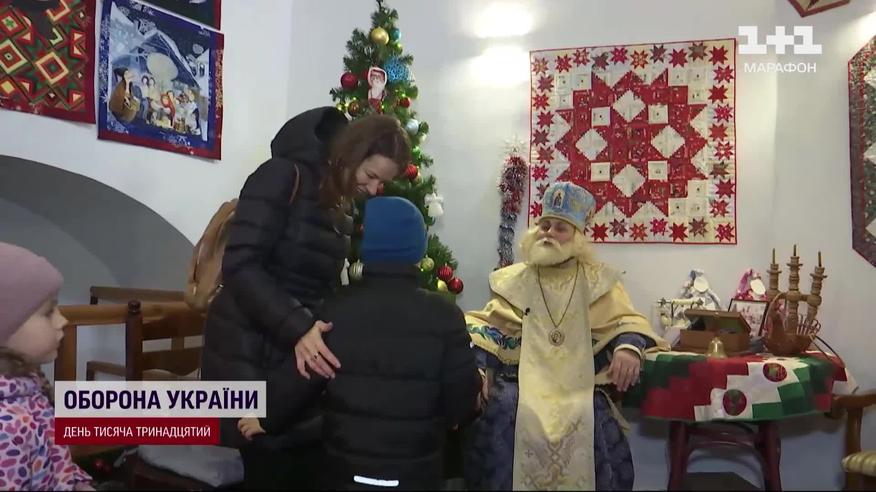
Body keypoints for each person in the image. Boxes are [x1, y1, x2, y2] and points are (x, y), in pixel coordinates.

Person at [200, 107, 411, 490]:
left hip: (290, 354)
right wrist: (299, 327)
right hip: (246, 347)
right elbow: (241, 266)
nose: (374, 190)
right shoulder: (283, 175)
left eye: (382, 182)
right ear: (351, 154)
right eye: (371, 176)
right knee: (265, 459)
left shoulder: (341, 201)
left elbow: (320, 285)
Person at [236, 196, 482, 490]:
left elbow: (302, 375)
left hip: (345, 472)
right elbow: (462, 401)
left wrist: (264, 417)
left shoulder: (336, 310)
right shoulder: (445, 315)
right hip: (415, 475)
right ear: (418, 252)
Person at [463, 182, 670, 491]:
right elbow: (488, 327)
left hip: (581, 385)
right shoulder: (514, 279)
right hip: (521, 382)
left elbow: (626, 321)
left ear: (577, 236)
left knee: (592, 414)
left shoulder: (598, 280)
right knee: (505, 407)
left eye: (560, 228)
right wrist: (477, 368)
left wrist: (628, 347)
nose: (549, 233)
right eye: (545, 225)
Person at [0, 242, 94, 491]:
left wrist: (77, 483)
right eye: (48, 312)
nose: (62, 320)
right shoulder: (5, 427)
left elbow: (54, 459)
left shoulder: (29, 388)